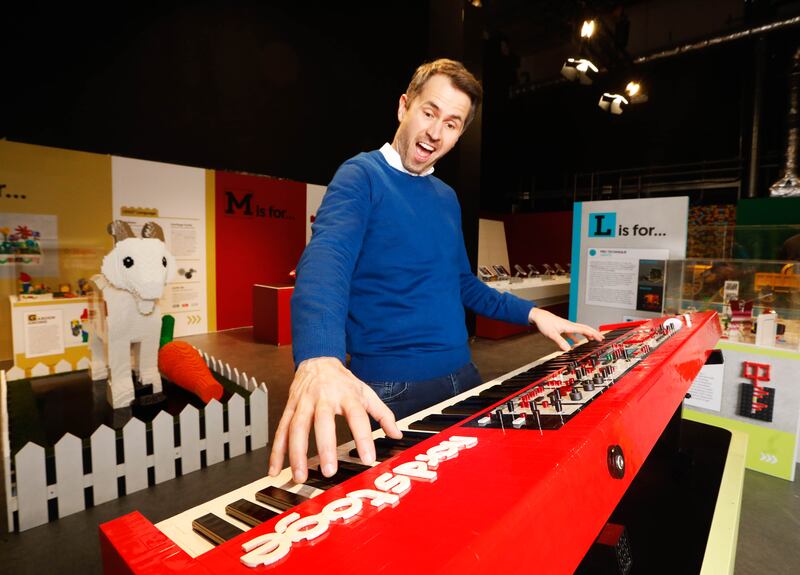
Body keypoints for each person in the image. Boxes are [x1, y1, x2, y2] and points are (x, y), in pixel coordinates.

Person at [268, 59, 603, 483]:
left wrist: (534, 314)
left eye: (451, 123)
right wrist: (319, 357)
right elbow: (326, 259)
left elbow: (462, 283)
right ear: (403, 107)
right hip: (393, 388)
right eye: (429, 112)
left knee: (476, 489)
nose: (435, 132)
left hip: (464, 374)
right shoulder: (361, 176)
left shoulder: (446, 197)